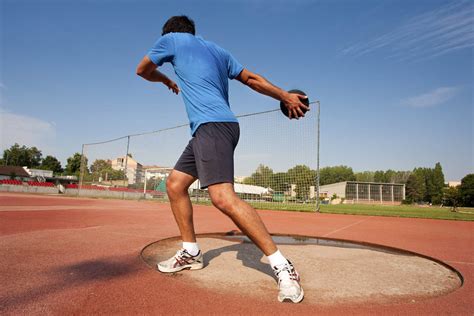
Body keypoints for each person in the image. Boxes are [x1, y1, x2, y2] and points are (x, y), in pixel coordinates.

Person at [136, 15, 309, 303]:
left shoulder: (171, 40)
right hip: (217, 127)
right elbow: (252, 79)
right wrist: (284, 95)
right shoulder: (218, 51)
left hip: (212, 126)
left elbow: (142, 70)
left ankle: (283, 266)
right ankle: (190, 252)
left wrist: (165, 78)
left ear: (170, 34)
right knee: (175, 185)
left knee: (223, 198)